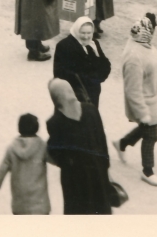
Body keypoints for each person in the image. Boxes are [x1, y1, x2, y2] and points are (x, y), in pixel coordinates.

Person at [46, 79, 113, 215]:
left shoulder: (54, 122)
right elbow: (102, 142)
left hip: (74, 181)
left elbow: (57, 155)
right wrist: (106, 169)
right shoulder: (91, 110)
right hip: (98, 172)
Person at [112, 13, 157, 187]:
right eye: (152, 30)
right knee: (151, 135)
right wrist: (142, 113)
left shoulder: (141, 43)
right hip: (145, 102)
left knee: (145, 130)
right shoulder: (134, 57)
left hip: (151, 98)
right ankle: (147, 171)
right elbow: (132, 90)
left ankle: (121, 143)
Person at [0, 113, 50, 215]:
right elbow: (57, 161)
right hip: (40, 206)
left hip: (19, 206)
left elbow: (0, 175)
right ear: (37, 128)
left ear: (19, 128)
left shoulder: (11, 148)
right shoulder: (42, 146)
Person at [54, 16, 111, 108]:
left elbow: (106, 66)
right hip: (73, 97)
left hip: (92, 95)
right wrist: (94, 78)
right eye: (83, 33)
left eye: (89, 33)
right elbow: (61, 75)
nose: (86, 36)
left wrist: (97, 53)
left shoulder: (93, 44)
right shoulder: (64, 46)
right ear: (76, 31)